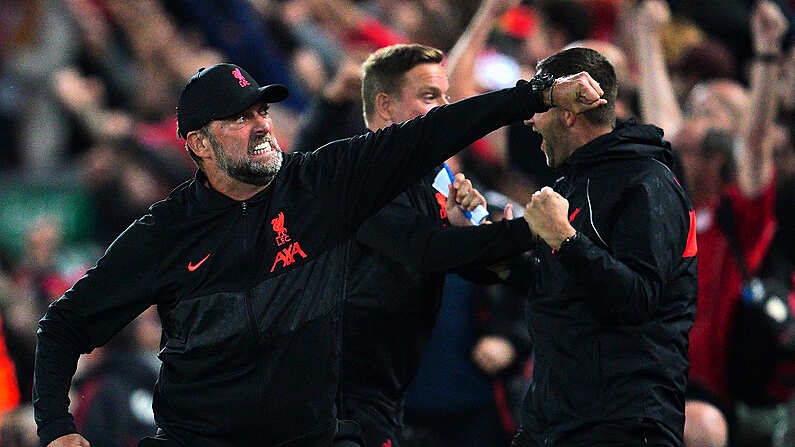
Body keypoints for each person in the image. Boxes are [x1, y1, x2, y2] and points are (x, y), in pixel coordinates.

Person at [33, 63, 605, 447]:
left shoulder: (322, 184)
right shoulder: (162, 234)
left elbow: (432, 133)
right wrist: (58, 428)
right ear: (199, 145)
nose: (261, 125)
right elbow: (63, 326)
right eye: (240, 117)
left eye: (262, 111)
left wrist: (537, 94)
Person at [340, 43, 534, 447]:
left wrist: (510, 338)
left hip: (470, 402)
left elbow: (515, 285)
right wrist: (521, 233)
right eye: (431, 97)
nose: (447, 109)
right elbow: (425, 249)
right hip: (364, 408)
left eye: (448, 97)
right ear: (386, 106)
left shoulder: (453, 188)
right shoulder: (353, 182)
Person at [512, 47, 698, 447]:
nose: (529, 119)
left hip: (623, 423)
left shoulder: (649, 183)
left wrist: (565, 238)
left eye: (539, 105)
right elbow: (560, 287)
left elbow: (639, 298)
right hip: (554, 420)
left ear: (567, 112)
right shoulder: (571, 185)